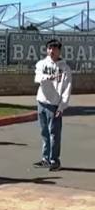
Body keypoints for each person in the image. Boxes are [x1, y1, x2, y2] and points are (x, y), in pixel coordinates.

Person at [33, 38, 72, 171]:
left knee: (54, 134)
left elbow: (67, 89)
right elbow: (37, 78)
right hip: (41, 102)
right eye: (49, 48)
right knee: (44, 133)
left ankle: (55, 160)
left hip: (54, 105)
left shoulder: (64, 68)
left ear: (59, 51)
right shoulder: (41, 64)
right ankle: (45, 159)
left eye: (55, 48)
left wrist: (61, 107)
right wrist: (48, 77)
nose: (52, 51)